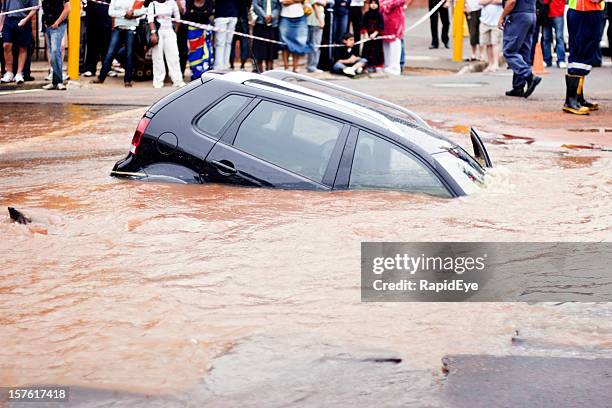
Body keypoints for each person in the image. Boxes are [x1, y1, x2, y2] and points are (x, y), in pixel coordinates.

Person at [562, 0, 604, 114]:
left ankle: (577, 97)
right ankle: (571, 100)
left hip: (587, 11)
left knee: (584, 56)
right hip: (583, 12)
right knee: (580, 55)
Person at [93, 0, 146, 87]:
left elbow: (143, 12)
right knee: (110, 53)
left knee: (130, 54)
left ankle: (127, 80)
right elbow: (110, 12)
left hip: (131, 28)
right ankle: (101, 77)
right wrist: (125, 14)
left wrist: (133, 13)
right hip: (118, 28)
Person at [498, 0, 542, 97]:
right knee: (523, 52)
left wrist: (502, 16)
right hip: (531, 15)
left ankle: (529, 76)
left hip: (518, 16)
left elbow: (512, 1)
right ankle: (518, 87)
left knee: (509, 51)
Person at [148, 0, 186, 87]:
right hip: (158, 32)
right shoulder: (152, 4)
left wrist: (174, 31)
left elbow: (177, 18)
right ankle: (158, 82)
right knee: (157, 58)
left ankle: (177, 80)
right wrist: (153, 33)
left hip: (169, 31)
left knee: (174, 56)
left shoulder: (172, 3)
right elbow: (151, 21)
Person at [0, 0, 37, 84]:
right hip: (8, 20)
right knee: (6, 45)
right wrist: (1, 25)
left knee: (22, 47)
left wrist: (25, 19)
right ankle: (9, 72)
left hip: (23, 19)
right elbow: (4, 10)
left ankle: (19, 73)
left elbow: (34, 8)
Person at [42, 0, 70, 90]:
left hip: (58, 25)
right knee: (53, 52)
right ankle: (55, 82)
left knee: (55, 51)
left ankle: (59, 81)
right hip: (48, 25)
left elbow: (67, 9)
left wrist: (57, 22)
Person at [184, 0, 215, 79]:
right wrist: (202, 14)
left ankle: (206, 72)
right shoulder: (189, 2)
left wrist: (195, 13)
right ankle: (196, 73)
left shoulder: (209, 2)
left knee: (206, 51)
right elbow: (187, 15)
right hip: (193, 32)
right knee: (194, 52)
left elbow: (209, 14)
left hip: (205, 31)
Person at [279, 0, 311, 72]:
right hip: (285, 16)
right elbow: (284, 2)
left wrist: (291, 1)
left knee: (299, 42)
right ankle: (286, 67)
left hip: (300, 16)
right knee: (285, 43)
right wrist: (298, 1)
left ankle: (295, 67)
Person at [83, 0, 112, 77]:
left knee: (106, 47)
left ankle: (107, 69)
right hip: (92, 20)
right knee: (92, 46)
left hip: (107, 20)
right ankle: (90, 69)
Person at [252, 0, 281, 72]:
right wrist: (265, 16)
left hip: (273, 23)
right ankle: (259, 69)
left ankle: (270, 68)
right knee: (259, 47)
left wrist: (271, 16)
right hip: (260, 22)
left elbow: (278, 7)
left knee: (271, 47)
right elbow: (255, 5)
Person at [380, 0, 404, 74]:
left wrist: (386, 4)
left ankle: (395, 67)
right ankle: (387, 64)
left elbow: (400, 1)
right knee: (385, 42)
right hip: (384, 20)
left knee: (395, 42)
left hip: (395, 20)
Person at [214, 0, 239, 70]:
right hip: (220, 16)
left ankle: (226, 65)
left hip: (233, 15)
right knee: (220, 43)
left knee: (228, 43)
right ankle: (218, 67)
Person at [541, 0, 566, 67]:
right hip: (549, 12)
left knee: (557, 37)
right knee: (548, 38)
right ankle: (549, 59)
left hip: (555, 11)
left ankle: (559, 59)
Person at [479, 0, 502, 71]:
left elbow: (501, 1)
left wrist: (487, 1)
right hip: (485, 20)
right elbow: (480, 2)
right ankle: (490, 63)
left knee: (495, 43)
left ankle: (496, 63)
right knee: (487, 43)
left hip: (496, 21)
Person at [361, 0, 383, 69]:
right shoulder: (366, 14)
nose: (373, 5)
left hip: (376, 37)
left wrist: (375, 33)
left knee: (377, 51)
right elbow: (363, 24)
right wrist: (366, 33)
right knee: (367, 50)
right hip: (368, 36)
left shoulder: (379, 15)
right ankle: (366, 65)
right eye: (372, 3)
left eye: (375, 3)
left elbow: (381, 26)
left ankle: (376, 65)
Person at [229, 0, 251, 70]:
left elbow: (248, 5)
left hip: (242, 20)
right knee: (231, 44)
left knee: (244, 45)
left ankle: (242, 66)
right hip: (233, 19)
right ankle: (232, 65)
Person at [306, 0, 325, 72]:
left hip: (315, 21)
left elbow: (325, 3)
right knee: (315, 45)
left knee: (314, 45)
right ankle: (312, 66)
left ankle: (311, 66)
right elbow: (314, 5)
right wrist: (320, 20)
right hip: (315, 21)